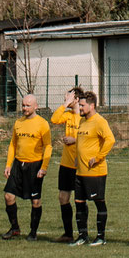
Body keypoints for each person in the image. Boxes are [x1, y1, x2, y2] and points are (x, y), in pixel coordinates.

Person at [2, 93, 52, 239]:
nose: (24, 108)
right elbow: (13, 144)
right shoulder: (18, 123)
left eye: (28, 105)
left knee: (35, 200)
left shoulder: (42, 124)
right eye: (23, 105)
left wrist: (44, 167)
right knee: (8, 196)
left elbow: (48, 146)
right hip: (18, 164)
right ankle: (15, 228)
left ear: (35, 106)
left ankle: (33, 232)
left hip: (35, 166)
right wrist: (8, 164)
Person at [70, 92, 115, 246]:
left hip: (95, 171)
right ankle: (82, 236)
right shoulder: (83, 122)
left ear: (92, 105)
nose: (80, 108)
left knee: (98, 202)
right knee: (79, 202)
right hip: (80, 171)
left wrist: (98, 157)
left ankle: (101, 237)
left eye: (82, 105)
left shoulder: (99, 121)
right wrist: (77, 156)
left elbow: (110, 140)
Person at [49, 87, 84, 244]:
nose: (66, 99)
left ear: (76, 99)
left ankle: (83, 234)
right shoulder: (68, 116)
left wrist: (75, 140)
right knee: (63, 197)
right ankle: (68, 233)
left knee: (80, 200)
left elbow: (91, 138)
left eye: (68, 97)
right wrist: (64, 104)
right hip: (66, 164)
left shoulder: (84, 117)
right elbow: (54, 119)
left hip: (80, 165)